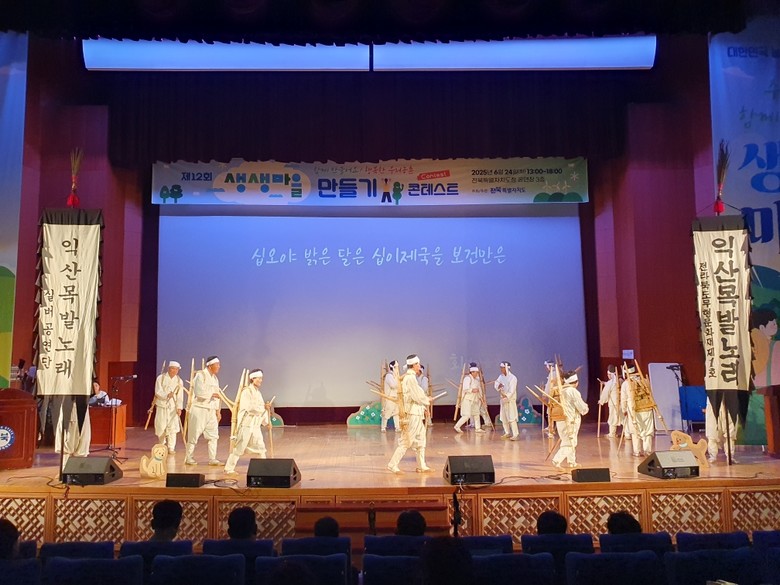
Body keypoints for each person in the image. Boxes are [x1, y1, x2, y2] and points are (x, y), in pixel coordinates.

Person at [387, 355, 432, 474]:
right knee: (407, 440)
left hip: (417, 412)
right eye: (418, 364)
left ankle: (421, 465)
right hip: (412, 413)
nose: (419, 366)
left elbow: (417, 396)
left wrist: (424, 406)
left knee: (421, 439)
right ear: (414, 365)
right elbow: (416, 396)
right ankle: (392, 464)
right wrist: (426, 400)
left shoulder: (411, 378)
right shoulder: (410, 378)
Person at [224, 368, 269, 474]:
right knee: (239, 447)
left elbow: (261, 408)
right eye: (259, 378)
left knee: (261, 447)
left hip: (255, 424)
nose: (261, 380)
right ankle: (229, 468)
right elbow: (249, 408)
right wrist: (263, 407)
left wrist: (266, 422)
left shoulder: (258, 393)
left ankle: (265, 469)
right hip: (246, 424)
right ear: (252, 379)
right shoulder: (246, 392)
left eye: (261, 378)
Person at [185, 355, 223, 466]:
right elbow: (199, 392)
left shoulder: (215, 379)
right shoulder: (200, 375)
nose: (219, 366)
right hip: (199, 409)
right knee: (194, 434)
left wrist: (218, 411)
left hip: (211, 410)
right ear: (210, 366)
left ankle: (212, 459)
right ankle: (189, 457)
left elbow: (217, 396)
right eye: (217, 364)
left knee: (213, 435)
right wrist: (212, 394)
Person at [551, 371, 589, 469]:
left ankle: (572, 462)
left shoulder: (560, 390)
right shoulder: (572, 391)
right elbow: (581, 407)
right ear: (576, 382)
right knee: (570, 442)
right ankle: (556, 460)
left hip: (560, 420)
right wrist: (585, 408)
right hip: (570, 420)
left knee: (568, 440)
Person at [621, 364, 655, 457]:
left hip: (634, 410)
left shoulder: (626, 384)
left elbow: (623, 399)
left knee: (635, 430)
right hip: (647, 409)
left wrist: (624, 410)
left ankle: (637, 451)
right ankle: (647, 450)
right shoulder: (645, 380)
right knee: (647, 430)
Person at [153, 361, 184, 454]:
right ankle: (162, 444)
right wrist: (166, 395)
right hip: (162, 405)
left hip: (173, 407)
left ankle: (171, 447)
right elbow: (158, 391)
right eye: (172, 368)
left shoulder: (179, 381)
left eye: (176, 369)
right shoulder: (161, 378)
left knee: (172, 427)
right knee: (161, 426)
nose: (174, 371)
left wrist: (179, 407)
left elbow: (180, 395)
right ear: (169, 368)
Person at [705, 396, 738, 463]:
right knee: (712, 431)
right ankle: (713, 456)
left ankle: (730, 456)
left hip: (731, 400)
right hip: (713, 401)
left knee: (730, 432)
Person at [454, 363, 484, 434]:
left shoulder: (477, 380)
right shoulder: (467, 378)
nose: (477, 374)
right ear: (472, 372)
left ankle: (478, 428)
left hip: (475, 399)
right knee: (467, 415)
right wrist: (472, 390)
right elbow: (465, 389)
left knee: (476, 413)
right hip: (467, 399)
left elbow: (479, 389)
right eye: (476, 372)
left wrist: (481, 397)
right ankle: (457, 426)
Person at [495, 361, 519, 440]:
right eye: (500, 368)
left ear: (506, 368)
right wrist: (498, 386)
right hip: (503, 400)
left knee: (511, 417)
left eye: (502, 368)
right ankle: (507, 432)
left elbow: (512, 390)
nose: (501, 369)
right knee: (504, 418)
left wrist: (507, 395)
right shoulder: (500, 377)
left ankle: (515, 434)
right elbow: (496, 384)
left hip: (510, 400)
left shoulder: (513, 378)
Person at [598, 365, 621, 438]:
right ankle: (627, 434)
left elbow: (605, 393)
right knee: (622, 418)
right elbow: (611, 384)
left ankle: (612, 433)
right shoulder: (620, 380)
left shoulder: (610, 383)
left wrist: (601, 401)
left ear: (610, 374)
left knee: (613, 417)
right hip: (621, 403)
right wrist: (605, 383)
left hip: (614, 403)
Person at [380, 360, 400, 433]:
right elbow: (393, 385)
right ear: (393, 367)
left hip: (396, 397)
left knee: (396, 413)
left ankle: (397, 427)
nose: (397, 368)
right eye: (396, 367)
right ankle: (383, 427)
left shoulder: (395, 376)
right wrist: (398, 379)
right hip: (390, 397)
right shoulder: (389, 376)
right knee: (387, 413)